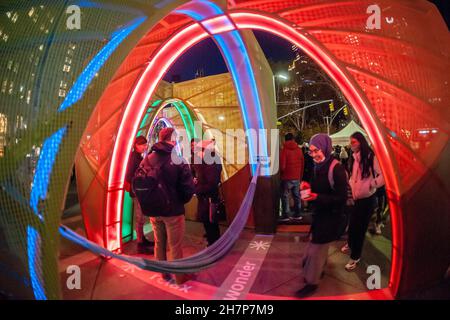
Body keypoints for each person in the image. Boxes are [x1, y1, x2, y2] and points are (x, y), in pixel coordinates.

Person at [296, 133, 348, 298]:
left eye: (316, 150)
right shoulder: (318, 165)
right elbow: (317, 187)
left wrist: (317, 197)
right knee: (318, 248)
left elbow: (341, 198)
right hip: (320, 214)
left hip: (331, 217)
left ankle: (312, 282)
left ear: (326, 147)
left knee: (315, 250)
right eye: (311, 151)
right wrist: (307, 187)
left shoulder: (337, 168)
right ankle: (318, 272)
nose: (313, 155)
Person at [141, 128, 195, 284]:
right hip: (173, 212)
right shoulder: (177, 160)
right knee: (175, 246)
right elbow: (187, 189)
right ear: (173, 140)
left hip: (153, 210)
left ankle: (163, 274)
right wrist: (179, 201)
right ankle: (179, 277)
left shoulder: (147, 158)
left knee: (159, 242)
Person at [341, 132, 385, 271]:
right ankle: (351, 245)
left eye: (353, 142)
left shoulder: (370, 157)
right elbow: (354, 177)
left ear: (361, 142)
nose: (351, 145)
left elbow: (383, 174)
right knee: (353, 226)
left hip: (367, 199)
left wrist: (373, 184)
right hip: (356, 198)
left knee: (359, 230)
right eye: (350, 142)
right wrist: (351, 184)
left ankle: (355, 257)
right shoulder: (354, 158)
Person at [124, 136, 154, 254]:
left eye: (145, 144)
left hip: (138, 190)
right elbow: (130, 175)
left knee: (140, 216)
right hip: (137, 191)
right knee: (139, 216)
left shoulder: (137, 157)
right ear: (136, 145)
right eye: (142, 144)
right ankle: (140, 242)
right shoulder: (134, 158)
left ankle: (142, 239)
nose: (144, 147)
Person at [192, 140, 223, 246]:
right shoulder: (205, 161)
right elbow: (203, 177)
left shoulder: (211, 161)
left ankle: (214, 245)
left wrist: (196, 189)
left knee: (211, 223)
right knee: (209, 223)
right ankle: (213, 243)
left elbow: (211, 183)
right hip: (205, 197)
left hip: (209, 198)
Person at [279, 133, 304, 222]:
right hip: (297, 177)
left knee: (285, 196)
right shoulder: (299, 150)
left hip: (286, 177)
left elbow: (282, 166)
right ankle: (298, 214)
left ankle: (286, 215)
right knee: (296, 196)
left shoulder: (284, 150)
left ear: (285, 140)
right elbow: (302, 164)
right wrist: (300, 176)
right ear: (293, 139)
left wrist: (281, 174)